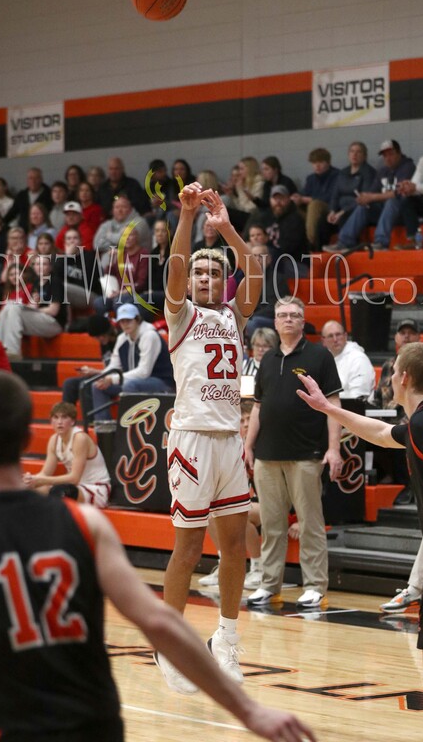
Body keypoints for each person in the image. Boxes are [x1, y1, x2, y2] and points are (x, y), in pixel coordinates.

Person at [0, 369, 315, 742]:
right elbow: (160, 622)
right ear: (29, 434)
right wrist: (248, 711)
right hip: (94, 727)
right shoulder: (87, 526)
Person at [297, 341, 423, 713]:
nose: (388, 378)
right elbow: (380, 433)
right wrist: (327, 408)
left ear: (403, 377)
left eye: (392, 371)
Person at [159, 182, 263, 692]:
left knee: (235, 547)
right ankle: (169, 643)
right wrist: (185, 218)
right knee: (188, 549)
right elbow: (175, 267)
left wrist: (225, 230)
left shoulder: (231, 315)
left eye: (213, 271)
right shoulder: (181, 315)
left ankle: (225, 636)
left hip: (228, 440)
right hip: (193, 440)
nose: (204, 275)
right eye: (200, 270)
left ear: (223, 282)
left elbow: (257, 271)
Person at [244, 296, 342, 608]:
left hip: (306, 453)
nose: (288, 319)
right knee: (272, 525)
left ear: (303, 321)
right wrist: (248, 445)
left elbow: (333, 406)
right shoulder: (269, 359)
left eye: (295, 315)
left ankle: (314, 585)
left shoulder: (320, 356)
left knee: (310, 523)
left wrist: (333, 449)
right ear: (274, 321)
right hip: (266, 454)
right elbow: (258, 405)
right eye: (283, 314)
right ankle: (269, 584)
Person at [199, 400, 264, 590]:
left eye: (249, 420)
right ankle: (224, 564)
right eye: (241, 420)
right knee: (211, 513)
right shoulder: (232, 445)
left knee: (238, 513)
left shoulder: (263, 445)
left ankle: (259, 568)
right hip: (245, 501)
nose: (245, 424)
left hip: (266, 503)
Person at [90, 303, 174, 421]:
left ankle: (130, 425)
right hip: (136, 381)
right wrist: (103, 377)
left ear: (137, 319)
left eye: (128, 320)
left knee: (129, 385)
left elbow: (144, 372)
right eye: (122, 321)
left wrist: (112, 379)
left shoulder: (149, 336)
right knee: (97, 386)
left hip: (162, 382)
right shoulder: (122, 338)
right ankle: (103, 427)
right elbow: (114, 365)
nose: (125, 324)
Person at [371, 318, 422, 503]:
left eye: (411, 332)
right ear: (396, 338)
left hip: (411, 419)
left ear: (419, 337)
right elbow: (377, 396)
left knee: (400, 434)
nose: (406, 336)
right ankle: (386, 477)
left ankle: (409, 486)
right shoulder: (387, 365)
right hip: (386, 419)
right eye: (403, 332)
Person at [23, 401, 111, 505]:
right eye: (56, 417)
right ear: (51, 421)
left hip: (95, 488)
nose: (59, 422)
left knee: (61, 491)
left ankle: (55, 520)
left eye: (64, 417)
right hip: (75, 487)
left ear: (73, 421)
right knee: (25, 491)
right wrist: (30, 480)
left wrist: (41, 480)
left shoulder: (80, 438)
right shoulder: (54, 440)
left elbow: (74, 478)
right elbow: (45, 473)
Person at [0, 254, 67, 359]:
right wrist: (33, 305)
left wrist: (34, 309)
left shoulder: (55, 282)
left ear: (50, 267)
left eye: (44, 264)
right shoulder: (36, 283)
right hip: (41, 320)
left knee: (14, 308)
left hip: (54, 324)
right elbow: (33, 306)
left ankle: (13, 352)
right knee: (9, 307)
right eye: (38, 264)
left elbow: (53, 310)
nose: (40, 267)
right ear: (34, 267)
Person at [321, 141, 380, 252]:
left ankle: (344, 243)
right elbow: (335, 194)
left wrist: (343, 211)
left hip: (361, 209)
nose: (355, 154)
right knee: (322, 219)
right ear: (348, 154)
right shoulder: (343, 172)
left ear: (365, 156)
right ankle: (315, 250)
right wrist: (332, 210)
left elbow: (364, 198)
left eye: (358, 152)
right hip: (341, 210)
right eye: (352, 151)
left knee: (357, 209)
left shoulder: (369, 172)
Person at [291, 148, 339, 250]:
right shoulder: (311, 178)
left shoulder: (337, 175)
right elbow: (304, 194)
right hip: (311, 213)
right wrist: (296, 198)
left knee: (314, 204)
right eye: (314, 163)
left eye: (320, 162)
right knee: (289, 206)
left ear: (328, 162)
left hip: (330, 209)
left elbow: (331, 197)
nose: (317, 166)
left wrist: (306, 199)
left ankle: (311, 242)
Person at [93, 195, 152, 268]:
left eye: (123, 207)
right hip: (108, 270)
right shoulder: (107, 224)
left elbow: (125, 241)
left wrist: (109, 236)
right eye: (117, 207)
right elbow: (97, 244)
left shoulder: (140, 222)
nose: (120, 210)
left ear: (130, 209)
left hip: (135, 267)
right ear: (112, 210)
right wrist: (116, 245)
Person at [320, 320, 375, 398]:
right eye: (330, 336)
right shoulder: (322, 359)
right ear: (323, 341)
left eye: (338, 334)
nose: (335, 339)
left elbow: (358, 397)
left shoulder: (358, 359)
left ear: (345, 336)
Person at [4, 167, 52, 231]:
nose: (33, 181)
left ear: (41, 179)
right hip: (24, 232)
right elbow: (12, 213)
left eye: (36, 178)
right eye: (30, 178)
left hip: (42, 231)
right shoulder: (21, 195)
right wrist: (1, 223)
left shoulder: (49, 195)